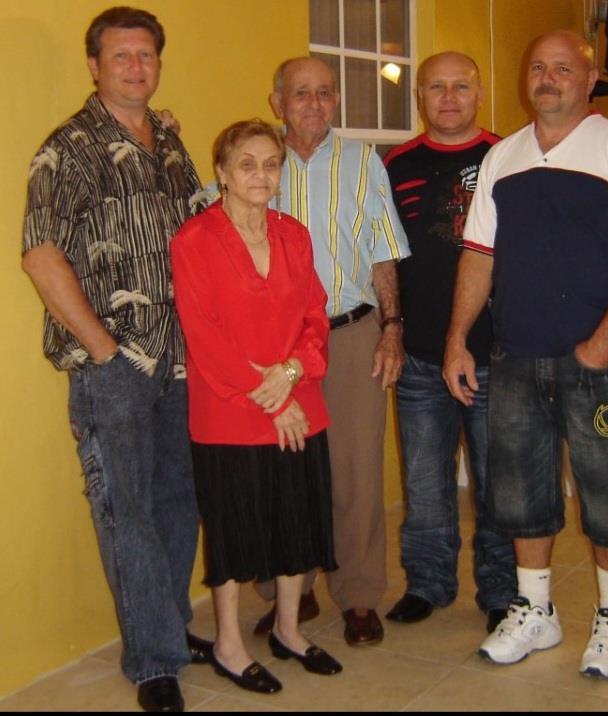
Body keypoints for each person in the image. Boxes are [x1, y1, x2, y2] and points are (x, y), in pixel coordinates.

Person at [443, 30, 608, 679]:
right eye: (538, 67)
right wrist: (458, 338)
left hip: (594, 363)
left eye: (563, 68)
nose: (547, 78)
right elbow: (478, 255)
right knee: (520, 493)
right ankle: (535, 610)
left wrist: (603, 342)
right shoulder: (503, 157)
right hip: (514, 357)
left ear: (589, 79)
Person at [21, 7, 213, 712]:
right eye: (121, 55)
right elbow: (41, 255)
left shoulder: (169, 141)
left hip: (183, 359)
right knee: (124, 509)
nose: (136, 66)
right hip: (116, 369)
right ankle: (153, 659)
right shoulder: (67, 148)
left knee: (178, 500)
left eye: (146, 55)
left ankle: (169, 626)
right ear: (95, 66)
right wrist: (106, 350)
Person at [170, 119, 342, 695]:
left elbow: (315, 316)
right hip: (230, 412)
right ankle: (228, 643)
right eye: (247, 164)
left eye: (270, 164)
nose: (260, 175)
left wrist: (291, 374)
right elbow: (205, 335)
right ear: (222, 172)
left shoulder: (294, 235)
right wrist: (273, 398)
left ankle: (289, 630)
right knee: (234, 532)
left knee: (296, 522)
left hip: (300, 401)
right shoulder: (194, 240)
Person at [252, 56, 411, 646]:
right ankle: (289, 592)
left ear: (336, 100)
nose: (314, 104)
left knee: (356, 472)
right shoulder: (256, 162)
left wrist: (391, 328)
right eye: (301, 93)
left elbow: (383, 250)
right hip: (275, 345)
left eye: (324, 92)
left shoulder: (363, 162)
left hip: (349, 333)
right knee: (280, 472)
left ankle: (359, 594)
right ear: (278, 102)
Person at [383, 52, 516, 632]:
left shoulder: (509, 156)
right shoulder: (398, 164)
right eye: (436, 87)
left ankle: (501, 591)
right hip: (420, 357)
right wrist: (391, 327)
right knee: (424, 483)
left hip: (497, 355)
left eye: (461, 86)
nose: (449, 97)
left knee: (497, 484)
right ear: (420, 96)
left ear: (479, 93)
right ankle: (428, 583)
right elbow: (386, 253)